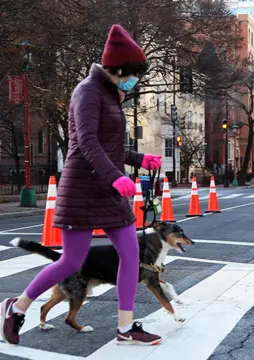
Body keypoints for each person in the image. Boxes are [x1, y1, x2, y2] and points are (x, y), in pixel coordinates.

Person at [0, 24, 164, 345]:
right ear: (117, 70)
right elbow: (86, 142)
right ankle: (17, 307)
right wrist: (117, 176)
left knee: (130, 255)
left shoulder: (110, 93)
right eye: (132, 76)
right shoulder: (88, 92)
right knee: (71, 262)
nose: (134, 82)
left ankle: (125, 327)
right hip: (82, 190)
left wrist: (137, 159)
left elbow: (110, 147)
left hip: (108, 190)